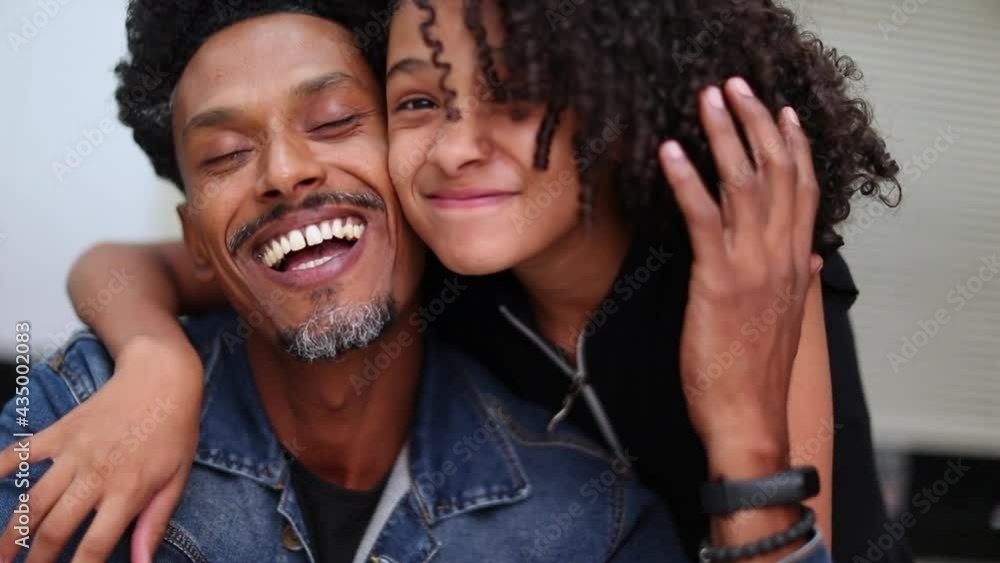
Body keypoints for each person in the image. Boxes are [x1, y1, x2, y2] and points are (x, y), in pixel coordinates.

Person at [2, 0, 905, 561]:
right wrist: (161, 366)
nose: (460, 146)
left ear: (611, 101)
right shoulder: (449, 261)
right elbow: (131, 266)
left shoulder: (740, 275)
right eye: (420, 103)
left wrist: (741, 420)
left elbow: (785, 538)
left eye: (514, 95)